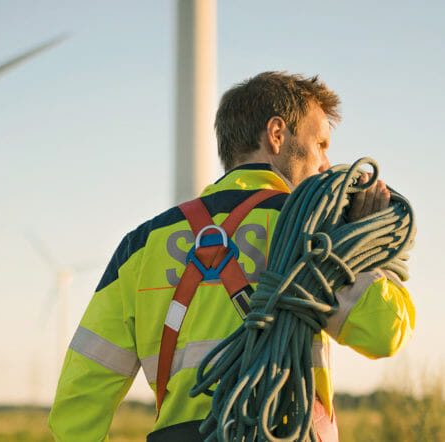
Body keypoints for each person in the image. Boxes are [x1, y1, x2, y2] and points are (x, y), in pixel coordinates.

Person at [47, 72, 415, 441]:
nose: (326, 163)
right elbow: (384, 333)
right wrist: (365, 249)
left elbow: (82, 392)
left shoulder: (143, 245)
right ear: (276, 135)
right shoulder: (315, 235)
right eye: (320, 143)